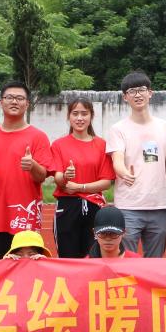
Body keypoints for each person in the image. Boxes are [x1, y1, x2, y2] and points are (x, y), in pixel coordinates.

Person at [106, 72, 166, 257]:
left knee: (154, 263)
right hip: (129, 206)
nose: (137, 95)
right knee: (127, 260)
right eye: (132, 91)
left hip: (159, 206)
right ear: (125, 97)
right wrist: (123, 172)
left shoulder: (165, 127)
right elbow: (117, 159)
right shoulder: (118, 129)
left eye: (141, 90)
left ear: (150, 93)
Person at [0, 82, 54, 261]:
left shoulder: (38, 137)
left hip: (25, 216)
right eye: (9, 97)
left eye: (20, 98)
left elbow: (42, 176)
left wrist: (33, 166)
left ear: (27, 103)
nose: (14, 101)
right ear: (1, 102)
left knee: (27, 269)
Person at [87, 206, 150, 332]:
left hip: (127, 314)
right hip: (99, 315)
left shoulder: (136, 261)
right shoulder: (86, 263)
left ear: (124, 233)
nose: (108, 239)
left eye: (113, 235)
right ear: (94, 233)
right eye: (103, 234)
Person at [51, 99, 114, 258]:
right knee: (67, 258)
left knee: (94, 257)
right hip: (67, 206)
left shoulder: (101, 145)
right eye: (75, 114)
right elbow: (57, 177)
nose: (80, 118)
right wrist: (65, 177)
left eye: (84, 114)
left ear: (91, 116)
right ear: (69, 116)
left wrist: (80, 187)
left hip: (94, 206)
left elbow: (106, 182)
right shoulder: (58, 145)